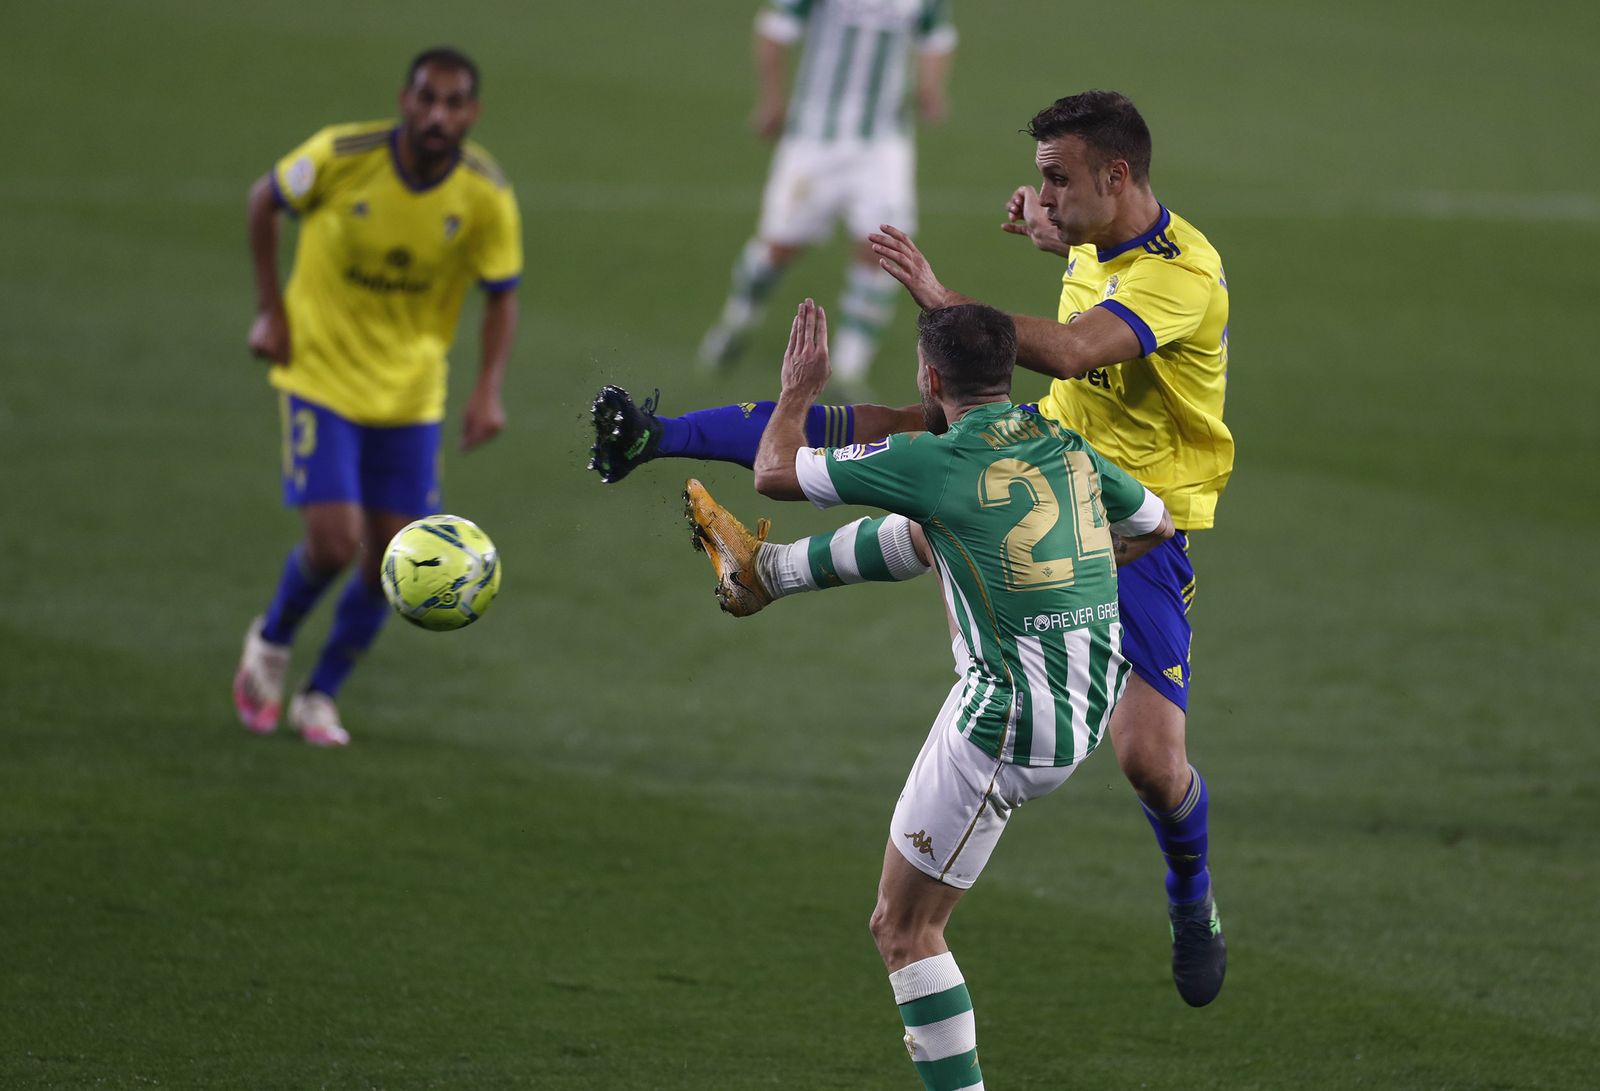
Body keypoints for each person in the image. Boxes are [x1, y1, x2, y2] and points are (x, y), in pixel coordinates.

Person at [592, 90, 1231, 1006]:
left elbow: (1081, 351)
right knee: (919, 445)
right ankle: (656, 438)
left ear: (1117, 176)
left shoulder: (1181, 274)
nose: (1042, 196)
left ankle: (1191, 895)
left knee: (1150, 762)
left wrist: (942, 299)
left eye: (1057, 181)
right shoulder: (1099, 237)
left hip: (1138, 522)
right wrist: (1051, 231)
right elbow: (1082, 273)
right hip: (1045, 461)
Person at [686, 298, 1174, 1089]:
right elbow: (1155, 524)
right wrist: (1062, 574)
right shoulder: (1067, 444)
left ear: (930, 376)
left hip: (1008, 724)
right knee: (934, 534)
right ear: (1008, 371)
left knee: (904, 929)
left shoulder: (931, 458)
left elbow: (776, 469)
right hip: (1090, 700)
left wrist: (798, 391)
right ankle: (766, 575)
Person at [232, 47, 522, 747]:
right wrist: (272, 310)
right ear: (405, 98)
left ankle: (321, 694)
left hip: (412, 395)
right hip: (321, 377)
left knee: (396, 557)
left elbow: (501, 295)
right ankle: (270, 644)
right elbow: (263, 201)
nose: (437, 115)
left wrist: (487, 389)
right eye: (426, 99)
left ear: (471, 113)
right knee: (333, 544)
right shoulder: (342, 154)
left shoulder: (486, 193)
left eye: (453, 104)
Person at [695, 0, 956, 392]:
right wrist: (771, 100)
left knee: (884, 248)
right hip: (814, 137)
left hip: (883, 144)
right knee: (781, 246)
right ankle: (738, 318)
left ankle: (850, 366)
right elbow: (773, 29)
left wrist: (931, 88)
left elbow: (936, 36)